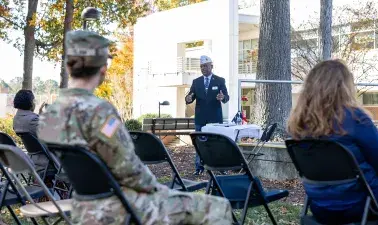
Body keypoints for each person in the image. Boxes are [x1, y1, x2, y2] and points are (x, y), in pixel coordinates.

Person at [38, 30, 233, 225]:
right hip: (119, 206)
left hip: (82, 206)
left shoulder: (50, 116)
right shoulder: (101, 113)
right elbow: (129, 170)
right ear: (102, 68)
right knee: (218, 207)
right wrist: (159, 190)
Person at [287, 59, 378, 224]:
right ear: (345, 88)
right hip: (362, 204)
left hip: (322, 206)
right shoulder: (356, 118)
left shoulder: (298, 125)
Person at [185, 55, 230, 175]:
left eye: (205, 66)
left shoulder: (220, 80)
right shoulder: (196, 82)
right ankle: (199, 168)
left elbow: (226, 97)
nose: (203, 68)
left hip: (215, 118)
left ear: (211, 66)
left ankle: (220, 168)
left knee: (217, 143)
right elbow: (190, 96)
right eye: (201, 66)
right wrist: (188, 98)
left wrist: (223, 97)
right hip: (200, 118)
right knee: (200, 143)